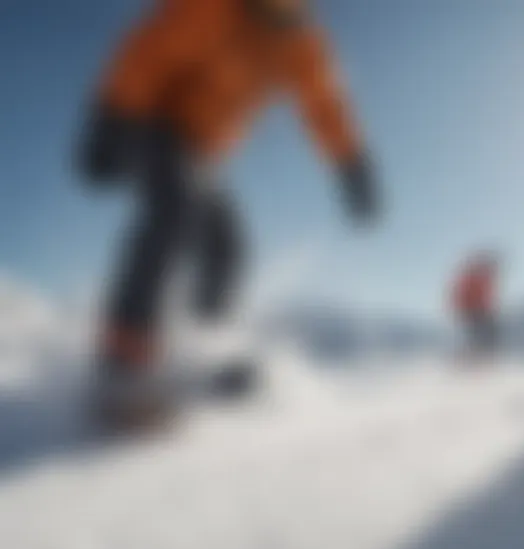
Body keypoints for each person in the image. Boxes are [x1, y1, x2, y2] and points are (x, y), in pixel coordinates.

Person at [77, 0, 379, 413]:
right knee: (174, 208)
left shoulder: (299, 42)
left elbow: (323, 104)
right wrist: (111, 116)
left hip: (201, 152)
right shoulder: (215, 9)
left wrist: (350, 163)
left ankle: (199, 351)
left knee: (228, 248)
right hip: (155, 123)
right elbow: (150, 52)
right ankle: (123, 359)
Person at [451, 251, 500, 360]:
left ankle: (479, 356)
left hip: (479, 311)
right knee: (482, 334)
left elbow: (486, 298)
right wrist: (464, 309)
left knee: (486, 334)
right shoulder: (475, 278)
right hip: (472, 311)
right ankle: (473, 358)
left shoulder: (484, 279)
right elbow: (463, 295)